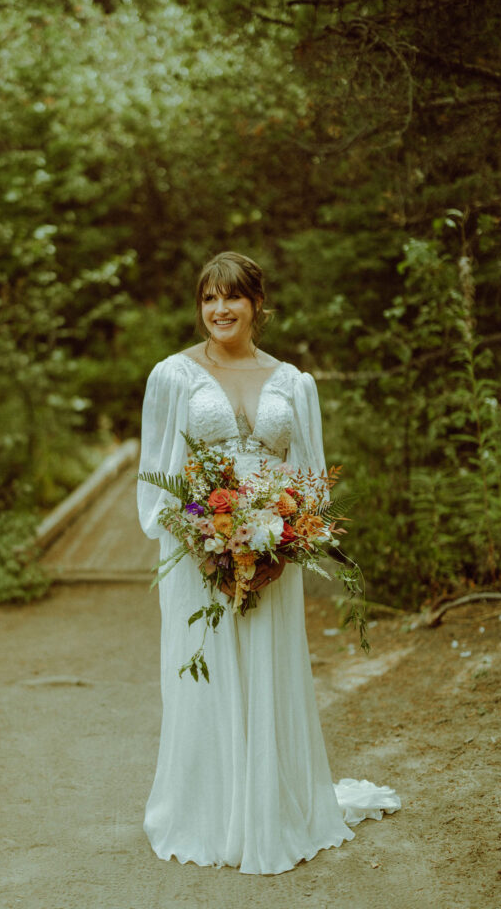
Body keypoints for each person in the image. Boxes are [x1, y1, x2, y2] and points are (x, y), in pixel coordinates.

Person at [137, 251, 400, 875]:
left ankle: (272, 808)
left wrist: (291, 545)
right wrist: (201, 543)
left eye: (231, 297)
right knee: (206, 677)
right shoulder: (172, 377)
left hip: (275, 551)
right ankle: (208, 812)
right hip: (198, 551)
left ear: (257, 303)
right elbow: (158, 479)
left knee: (266, 671)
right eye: (208, 298)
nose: (219, 309)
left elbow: (310, 479)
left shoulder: (293, 382)